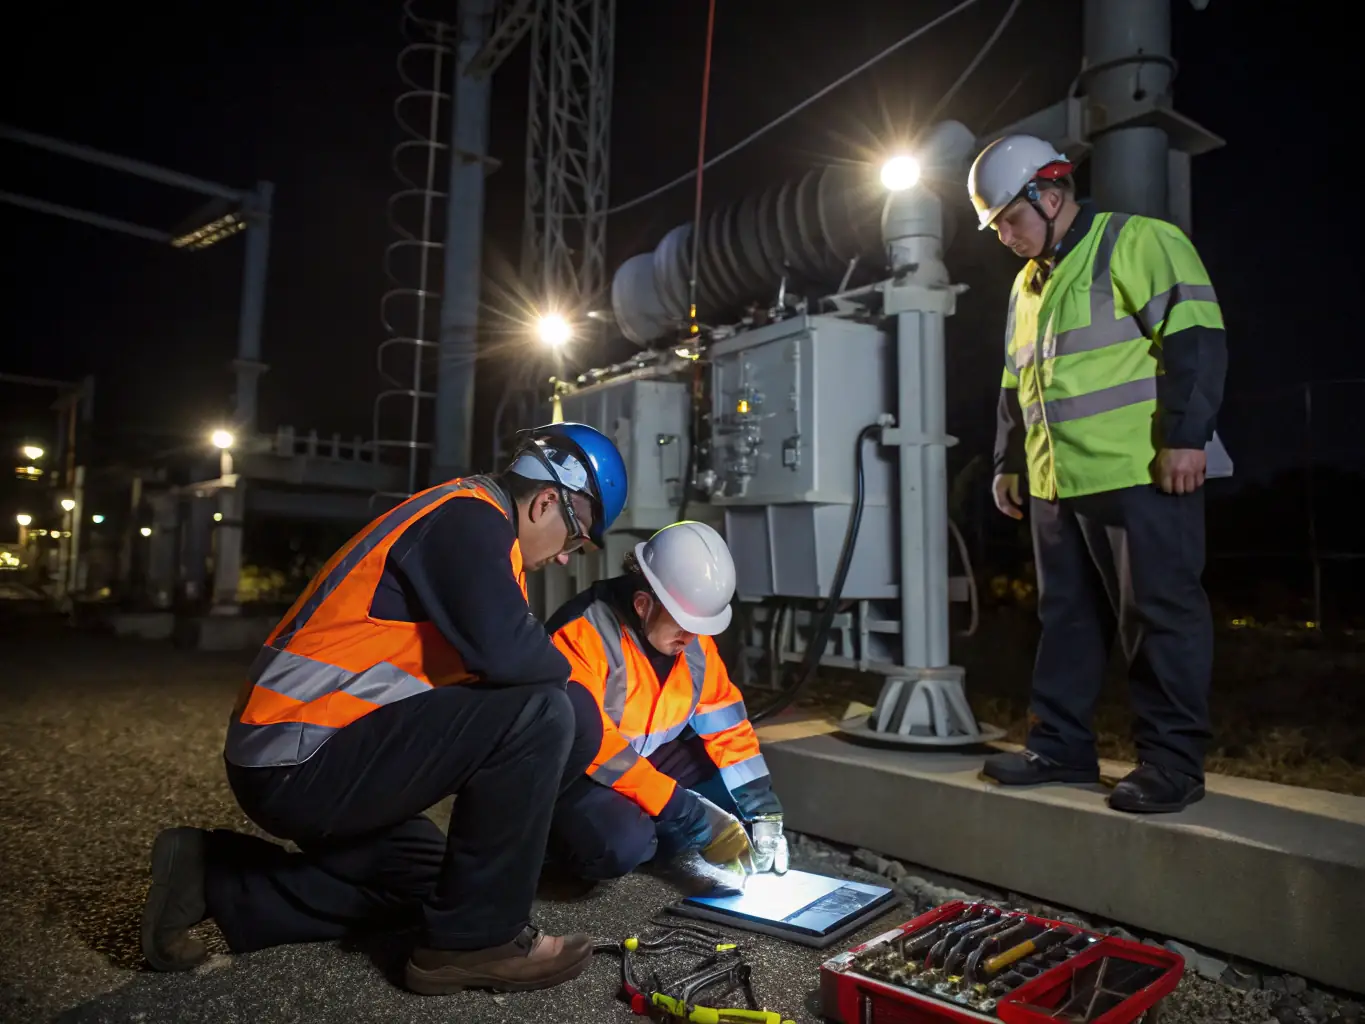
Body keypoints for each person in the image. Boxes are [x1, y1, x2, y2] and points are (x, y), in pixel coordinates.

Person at [139, 422, 629, 995]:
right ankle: (474, 944)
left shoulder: (472, 526)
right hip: (300, 758)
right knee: (550, 710)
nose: (569, 560)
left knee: (440, 885)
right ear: (546, 501)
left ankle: (215, 876)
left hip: (320, 750)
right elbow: (515, 659)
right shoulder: (468, 521)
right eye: (575, 542)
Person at [969, 134, 1227, 814]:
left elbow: (1195, 337)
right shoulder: (1027, 286)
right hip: (1058, 481)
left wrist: (1184, 438)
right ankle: (1059, 748)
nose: (1003, 235)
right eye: (995, 224)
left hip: (1140, 472)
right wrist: (1008, 462)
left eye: (1009, 219)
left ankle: (1171, 765)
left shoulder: (1137, 241)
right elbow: (1013, 382)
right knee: (1066, 619)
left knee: (1158, 617)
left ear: (1050, 197)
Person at [543, 520, 787, 885]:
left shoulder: (694, 641)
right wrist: (678, 808)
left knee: (735, 809)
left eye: (699, 627)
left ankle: (663, 830)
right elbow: (597, 747)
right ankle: (548, 844)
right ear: (643, 604)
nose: (690, 638)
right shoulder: (581, 633)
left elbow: (727, 727)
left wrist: (763, 812)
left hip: (644, 758)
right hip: (574, 773)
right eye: (682, 625)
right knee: (622, 845)